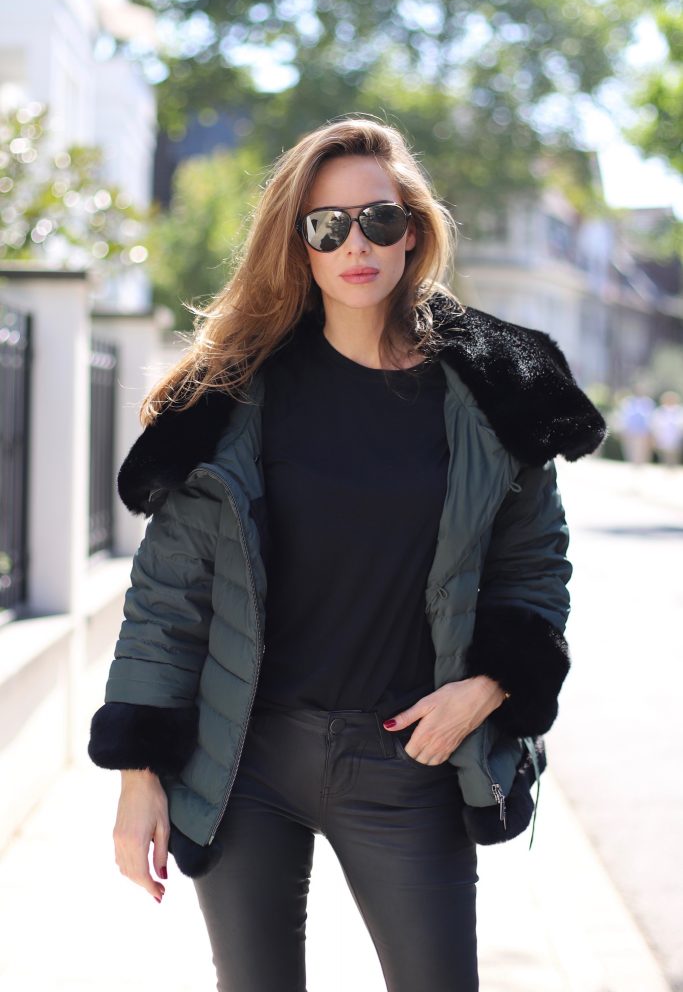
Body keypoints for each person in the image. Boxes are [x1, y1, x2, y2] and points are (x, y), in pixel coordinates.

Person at [88, 117, 606, 991]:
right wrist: (139, 775)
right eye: (327, 226)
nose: (354, 244)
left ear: (415, 228)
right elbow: (170, 600)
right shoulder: (228, 398)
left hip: (410, 761)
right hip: (243, 757)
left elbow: (533, 571)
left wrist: (486, 688)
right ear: (298, 242)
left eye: (378, 220)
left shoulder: (493, 392)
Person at [650, 390, 683, 467]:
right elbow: (655, 425)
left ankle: (673, 467)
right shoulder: (659, 411)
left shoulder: (679, 410)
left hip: (676, 438)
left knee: (675, 455)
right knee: (665, 455)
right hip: (663, 438)